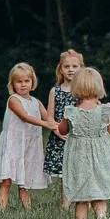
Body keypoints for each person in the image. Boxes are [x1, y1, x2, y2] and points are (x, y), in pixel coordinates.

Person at [61, 65, 110, 219]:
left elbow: (62, 130)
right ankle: (101, 216)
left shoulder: (71, 111)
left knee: (81, 197)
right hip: (101, 157)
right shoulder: (105, 110)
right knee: (98, 192)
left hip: (79, 157)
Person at [0, 62, 49, 210]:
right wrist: (46, 124)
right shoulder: (13, 100)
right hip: (14, 143)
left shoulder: (36, 102)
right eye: (19, 81)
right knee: (7, 180)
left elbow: (49, 117)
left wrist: (59, 126)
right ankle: (2, 210)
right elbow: (25, 117)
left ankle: (28, 210)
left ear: (32, 82)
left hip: (29, 145)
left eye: (26, 81)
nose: (23, 85)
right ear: (13, 84)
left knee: (25, 183)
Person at [46, 47, 83, 203]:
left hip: (80, 138)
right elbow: (49, 118)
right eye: (66, 66)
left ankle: (84, 202)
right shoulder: (55, 91)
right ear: (60, 69)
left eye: (75, 66)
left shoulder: (83, 91)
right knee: (65, 174)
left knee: (81, 172)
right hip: (61, 138)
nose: (71, 70)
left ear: (81, 68)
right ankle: (65, 204)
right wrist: (58, 131)